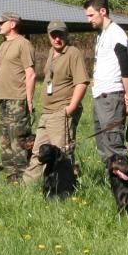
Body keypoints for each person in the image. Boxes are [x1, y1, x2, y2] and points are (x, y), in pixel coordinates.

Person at [24, 20, 89, 187]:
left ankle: (67, 189)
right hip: (47, 113)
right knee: (38, 153)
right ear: (48, 35)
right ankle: (26, 189)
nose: (57, 39)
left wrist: (71, 108)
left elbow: (81, 83)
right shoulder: (52, 52)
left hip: (61, 112)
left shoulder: (73, 53)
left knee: (62, 155)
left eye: (60, 35)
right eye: (53, 35)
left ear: (66, 35)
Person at [84, 0, 128, 166]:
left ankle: (126, 187)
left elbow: (126, 67)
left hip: (112, 97)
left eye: (91, 15)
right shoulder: (101, 34)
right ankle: (112, 183)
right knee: (103, 145)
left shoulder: (117, 34)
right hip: (100, 96)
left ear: (103, 11)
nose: (89, 19)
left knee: (114, 146)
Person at [0, 12, 35, 182]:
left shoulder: (23, 44)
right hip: (3, 99)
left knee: (18, 139)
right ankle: (11, 177)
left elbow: (30, 73)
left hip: (17, 99)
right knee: (4, 140)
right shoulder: (3, 45)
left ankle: (24, 176)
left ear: (12, 24)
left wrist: (29, 100)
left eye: (2, 22)